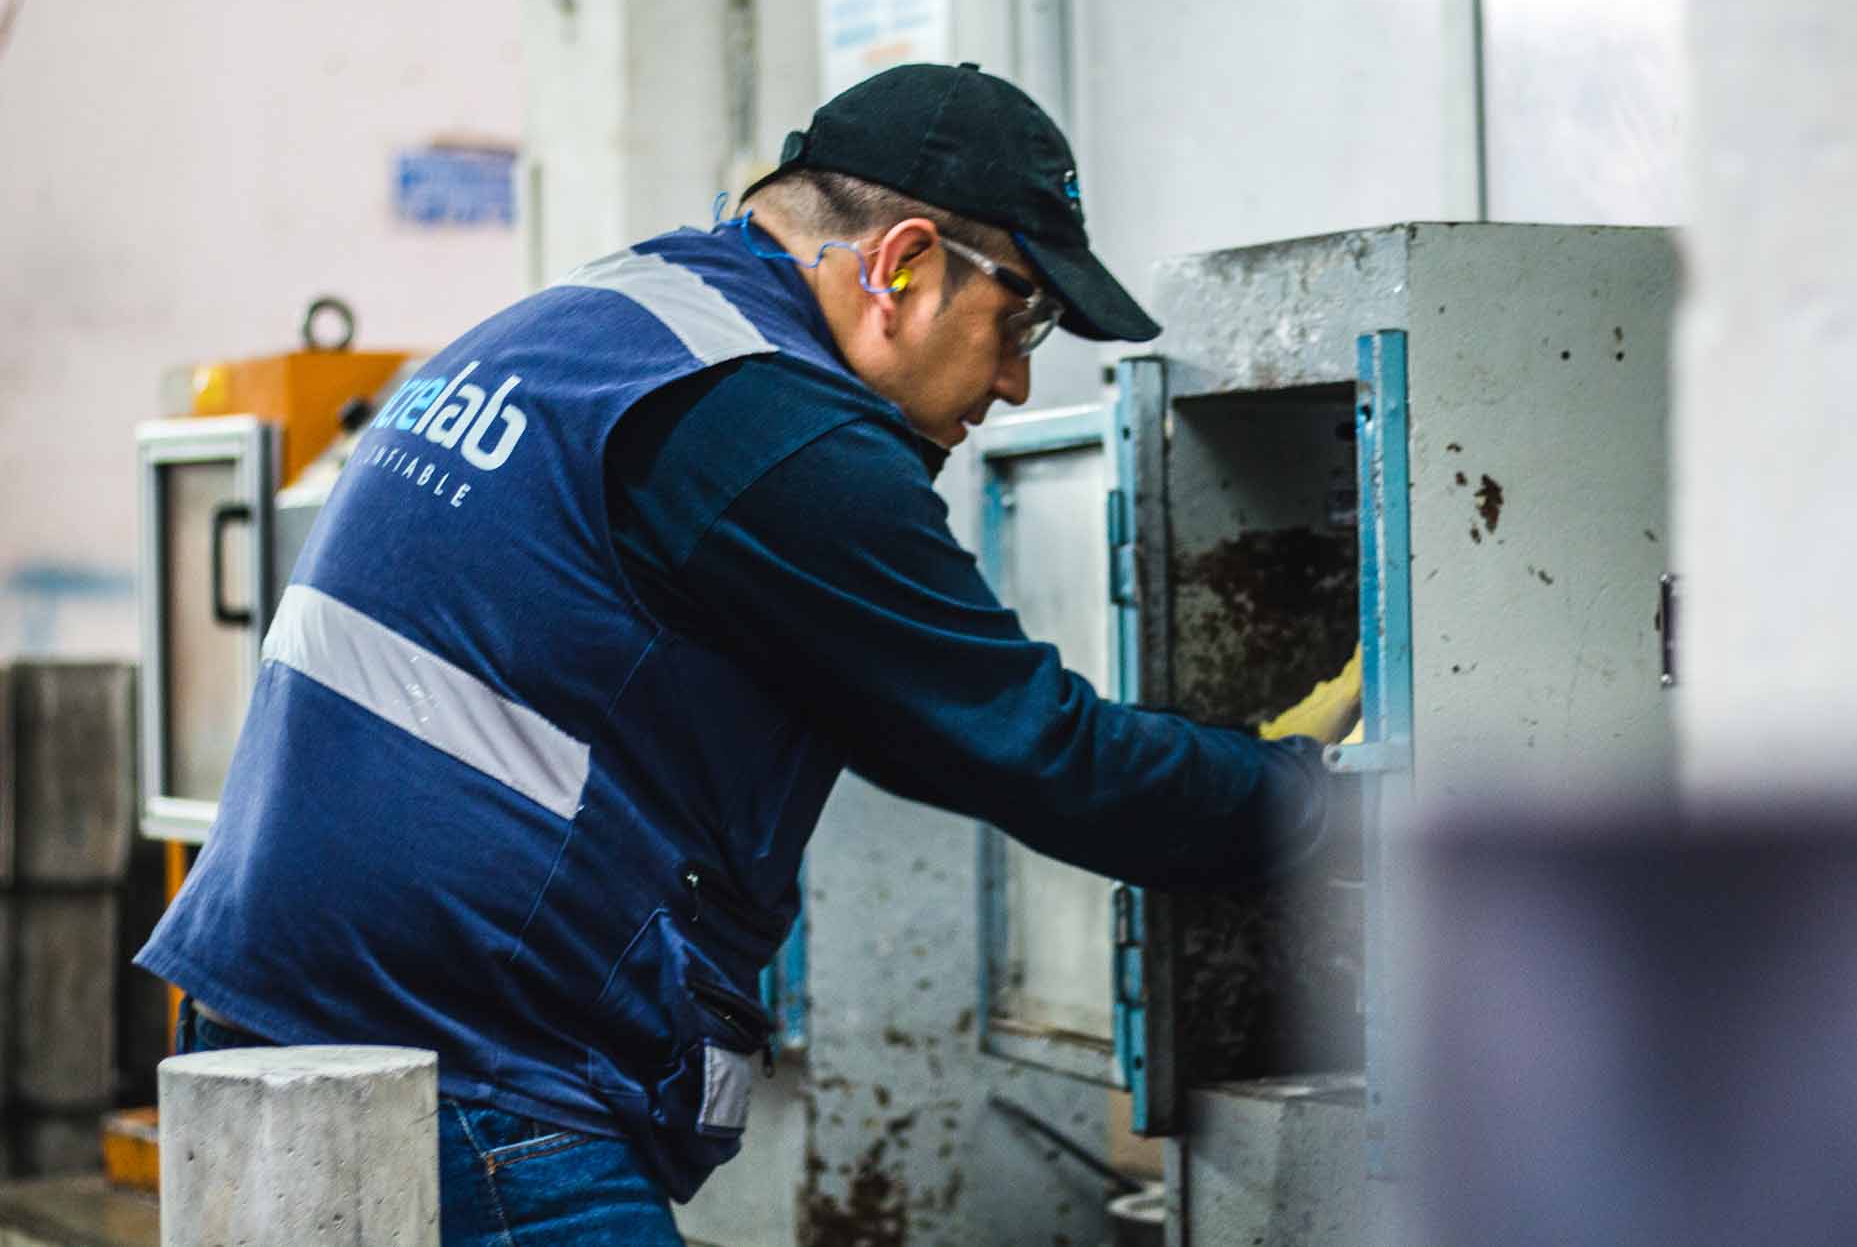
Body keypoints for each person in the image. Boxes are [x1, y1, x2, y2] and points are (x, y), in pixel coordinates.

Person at [137, 62, 1337, 1246]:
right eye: (1018, 315)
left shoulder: (597, 326)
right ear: (904, 264)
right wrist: (1329, 808)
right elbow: (1032, 749)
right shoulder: (772, 427)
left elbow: (883, 717)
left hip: (266, 1036)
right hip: (474, 1083)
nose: (1018, 380)